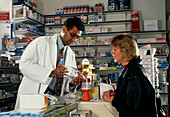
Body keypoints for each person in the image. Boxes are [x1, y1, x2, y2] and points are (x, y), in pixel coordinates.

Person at [15, 17, 85, 109]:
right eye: (73, 35)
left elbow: (67, 80)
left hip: (54, 99)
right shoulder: (41, 43)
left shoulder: (70, 54)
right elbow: (24, 64)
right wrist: (50, 73)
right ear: (64, 29)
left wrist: (72, 83)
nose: (74, 40)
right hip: (35, 95)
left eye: (77, 37)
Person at [102, 34, 157, 117]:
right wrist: (117, 94)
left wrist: (114, 100)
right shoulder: (129, 69)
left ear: (125, 51)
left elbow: (131, 108)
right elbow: (131, 97)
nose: (111, 52)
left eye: (115, 49)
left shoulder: (134, 73)